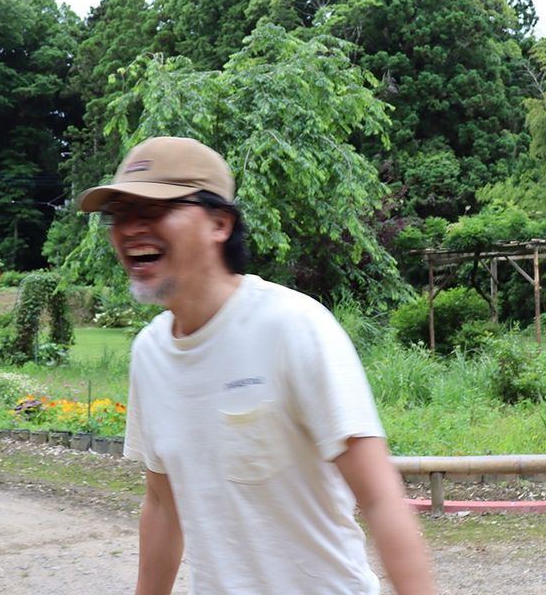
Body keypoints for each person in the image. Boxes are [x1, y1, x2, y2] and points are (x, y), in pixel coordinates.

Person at [77, 136, 435, 595]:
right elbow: (163, 506)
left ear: (219, 224)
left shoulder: (292, 327)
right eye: (120, 215)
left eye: (155, 211)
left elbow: (380, 498)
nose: (130, 229)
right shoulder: (150, 353)